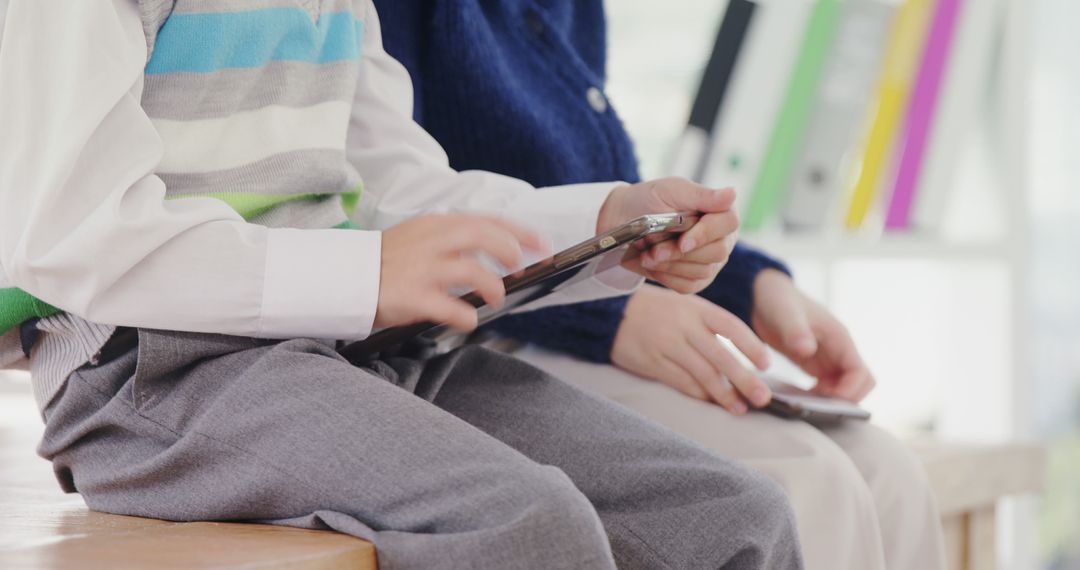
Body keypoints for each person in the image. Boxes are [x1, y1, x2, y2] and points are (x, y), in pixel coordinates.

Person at [0, 1, 806, 569]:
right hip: (150, 374)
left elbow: (401, 188)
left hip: (347, 344)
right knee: (523, 527)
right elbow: (74, 235)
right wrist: (367, 272)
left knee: (731, 517)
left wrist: (609, 225)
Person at [372, 1, 947, 568]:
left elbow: (582, 188)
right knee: (809, 479)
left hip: (577, 306)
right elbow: (400, 223)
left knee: (888, 472)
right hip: (473, 337)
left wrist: (748, 284)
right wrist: (612, 317)